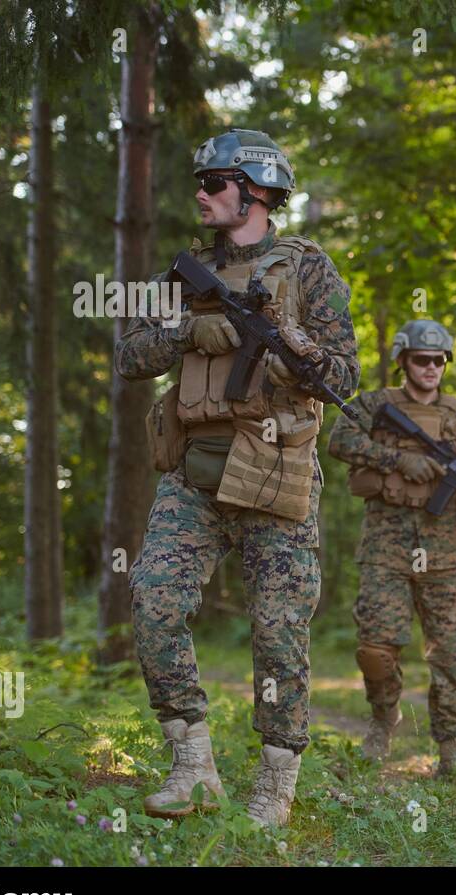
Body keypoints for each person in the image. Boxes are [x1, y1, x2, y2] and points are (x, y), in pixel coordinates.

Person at [115, 128, 359, 825]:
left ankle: (276, 782)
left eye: (214, 182)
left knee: (280, 633)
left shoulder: (311, 271)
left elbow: (345, 377)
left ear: (254, 190)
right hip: (193, 472)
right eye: (202, 181)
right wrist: (189, 333)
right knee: (154, 601)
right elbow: (132, 355)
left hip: (276, 471)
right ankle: (192, 764)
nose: (201, 192)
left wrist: (298, 353)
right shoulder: (185, 270)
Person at [327, 319, 456, 781]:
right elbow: (338, 439)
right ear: (404, 360)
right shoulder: (376, 405)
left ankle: (453, 747)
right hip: (385, 547)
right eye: (421, 359)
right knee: (375, 650)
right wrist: (396, 459)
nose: (431, 368)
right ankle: (383, 721)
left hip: (445, 556)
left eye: (439, 360)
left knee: (449, 654)